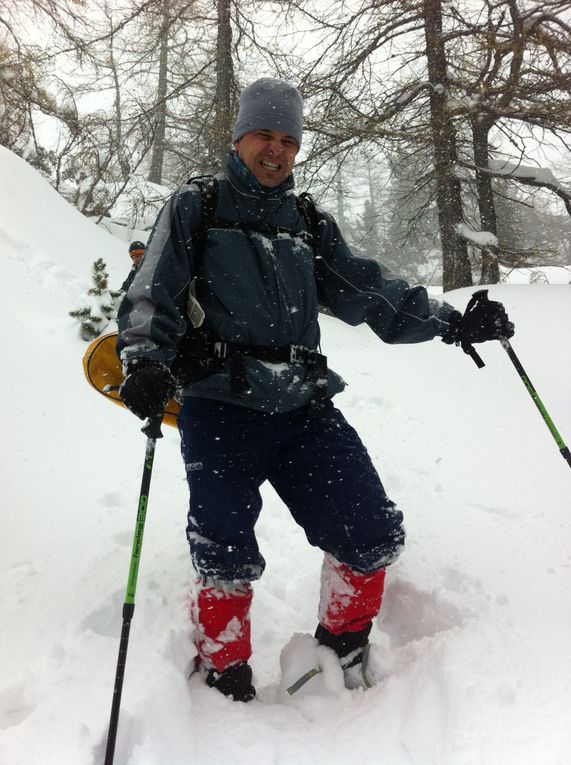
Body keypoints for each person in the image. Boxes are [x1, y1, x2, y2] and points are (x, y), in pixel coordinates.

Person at [116, 78, 514, 702]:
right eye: (263, 137)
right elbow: (152, 289)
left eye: (287, 140)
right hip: (220, 407)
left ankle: (342, 644)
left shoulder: (306, 223)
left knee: (370, 530)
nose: (274, 151)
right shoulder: (198, 207)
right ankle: (224, 667)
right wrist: (142, 357)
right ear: (239, 137)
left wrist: (451, 320)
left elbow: (369, 291)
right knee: (224, 550)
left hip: (303, 407)